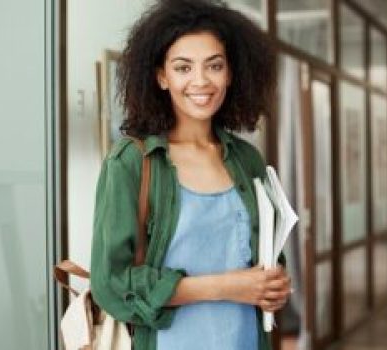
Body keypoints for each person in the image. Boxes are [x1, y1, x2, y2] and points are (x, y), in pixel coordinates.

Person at [90, 0, 291, 349]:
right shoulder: (132, 162)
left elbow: (267, 255)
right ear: (161, 77)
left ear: (230, 73)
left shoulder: (248, 160)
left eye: (214, 66)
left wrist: (274, 286)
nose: (200, 81)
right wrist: (227, 287)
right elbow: (111, 284)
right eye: (183, 68)